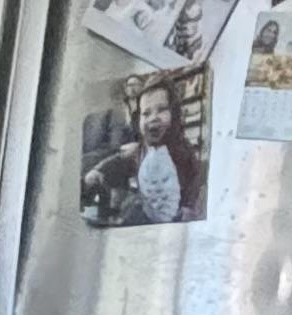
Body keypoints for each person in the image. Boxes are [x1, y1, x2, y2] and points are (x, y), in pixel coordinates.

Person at [82, 75, 202, 225]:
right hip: (145, 211)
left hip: (175, 216)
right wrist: (99, 171)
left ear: (175, 113)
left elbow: (195, 176)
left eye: (162, 109)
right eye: (146, 113)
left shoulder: (182, 149)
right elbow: (120, 160)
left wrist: (188, 206)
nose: (153, 118)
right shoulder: (140, 150)